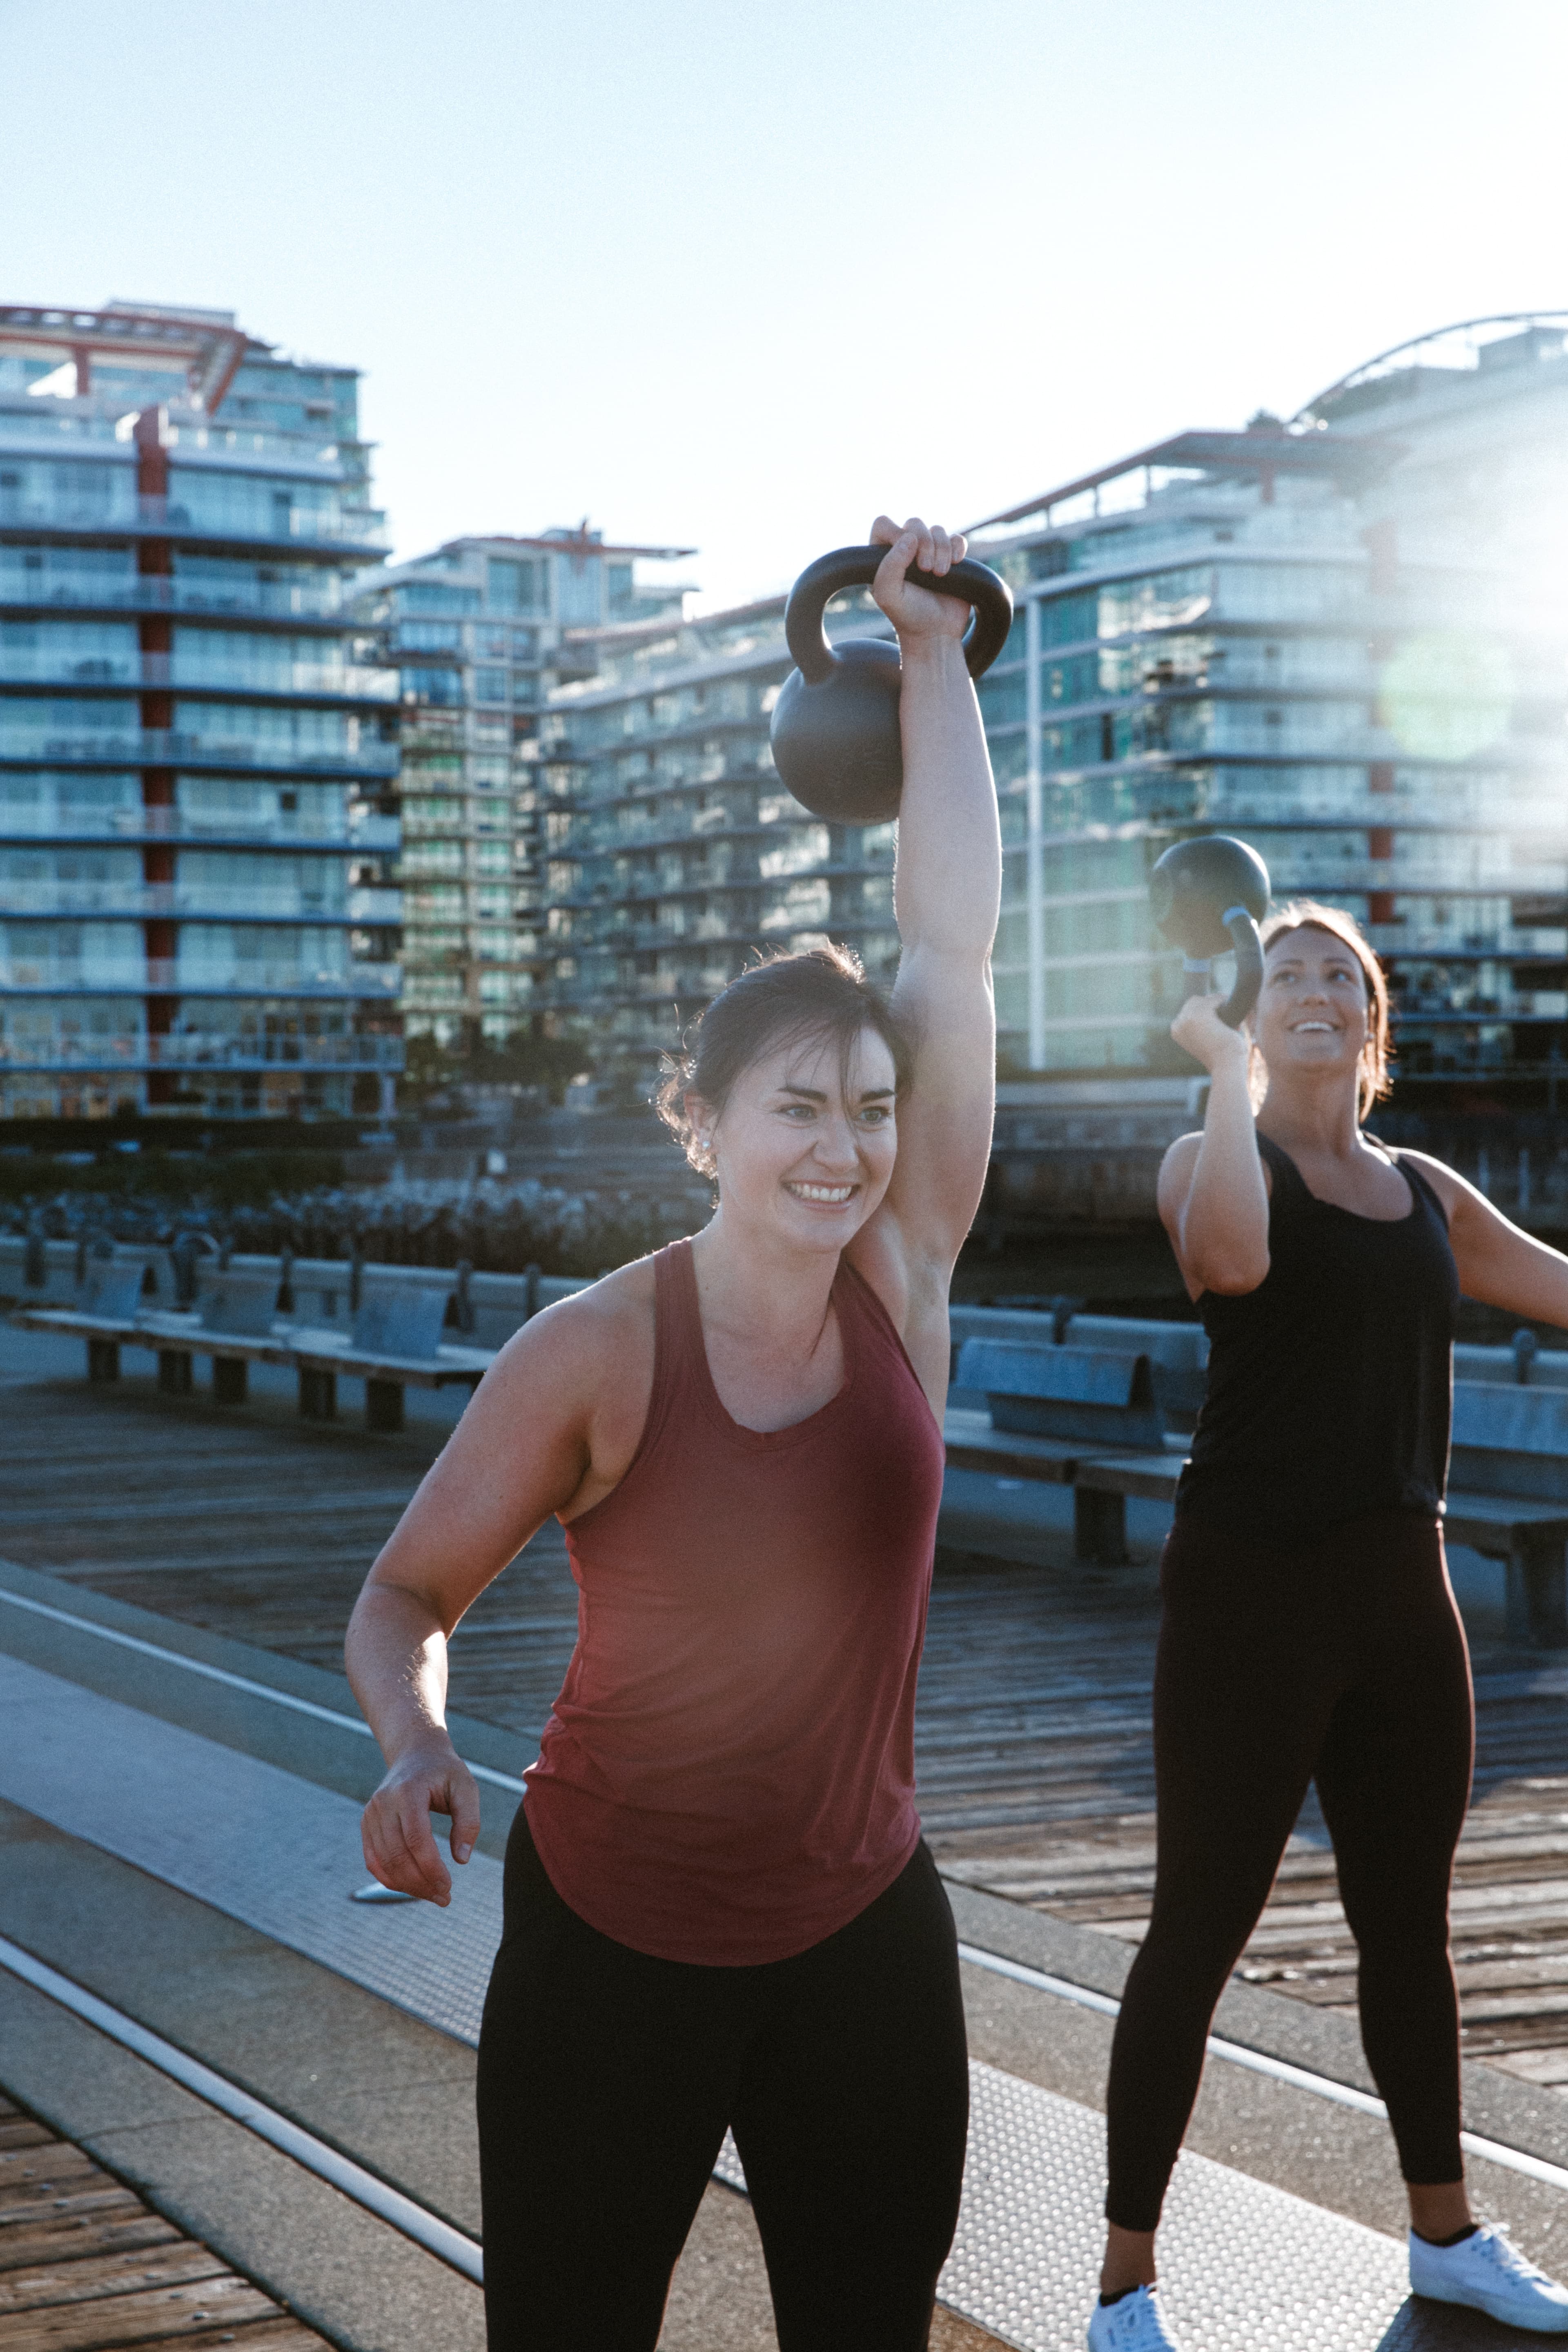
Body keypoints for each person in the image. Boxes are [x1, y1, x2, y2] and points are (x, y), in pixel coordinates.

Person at [345, 515, 1000, 2352]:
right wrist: (410, 1750)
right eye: (797, 1108)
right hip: (610, 1943)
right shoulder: (595, 1350)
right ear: (703, 1127)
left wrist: (937, 662)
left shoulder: (907, 1277)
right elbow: (406, 1593)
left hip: (865, 1932)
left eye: (870, 1108)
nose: (845, 1148)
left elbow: (950, 938)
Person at [1089, 900, 1568, 2350]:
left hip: (1403, 1604)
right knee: (1198, 1934)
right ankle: (1124, 2285)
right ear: (1251, 1008)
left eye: (1337, 978)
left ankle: (1446, 2236)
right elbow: (1227, 1265)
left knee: (1408, 1932)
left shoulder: (1424, 1189)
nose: (1311, 989)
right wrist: (1219, 1075)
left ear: (1371, 1021)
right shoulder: (1207, 1153)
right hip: (1247, 1599)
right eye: (1284, 973)